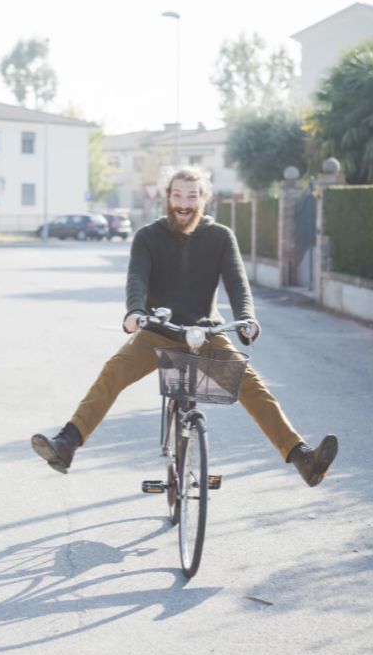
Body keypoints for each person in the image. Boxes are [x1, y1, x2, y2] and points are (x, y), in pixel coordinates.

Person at [30, 165, 337, 486]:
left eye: (192, 196)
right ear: (167, 196)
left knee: (251, 384)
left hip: (207, 333)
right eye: (177, 194)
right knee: (114, 370)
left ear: (205, 198)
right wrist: (135, 311)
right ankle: (67, 443)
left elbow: (237, 283)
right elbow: (137, 277)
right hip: (158, 331)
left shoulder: (220, 237)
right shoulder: (148, 236)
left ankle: (302, 457)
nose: (184, 203)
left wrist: (247, 318)